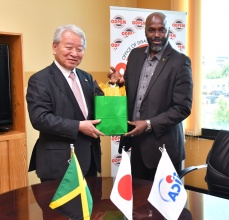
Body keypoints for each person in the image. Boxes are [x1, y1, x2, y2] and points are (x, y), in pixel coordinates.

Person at [108, 12, 193, 181]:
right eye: (151, 30)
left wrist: (148, 124)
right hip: (137, 145)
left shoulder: (180, 61)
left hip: (164, 149)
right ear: (145, 31)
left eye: (161, 30)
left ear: (169, 30)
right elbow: (137, 93)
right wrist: (119, 84)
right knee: (138, 203)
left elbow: (182, 108)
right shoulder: (135, 55)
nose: (156, 35)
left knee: (164, 206)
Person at [26, 24, 104, 182]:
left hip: (89, 162)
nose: (74, 54)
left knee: (90, 207)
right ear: (54, 47)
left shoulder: (87, 78)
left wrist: (116, 85)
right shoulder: (40, 80)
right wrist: (78, 126)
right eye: (69, 47)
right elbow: (40, 119)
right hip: (59, 164)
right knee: (58, 208)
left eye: (80, 49)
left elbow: (101, 108)